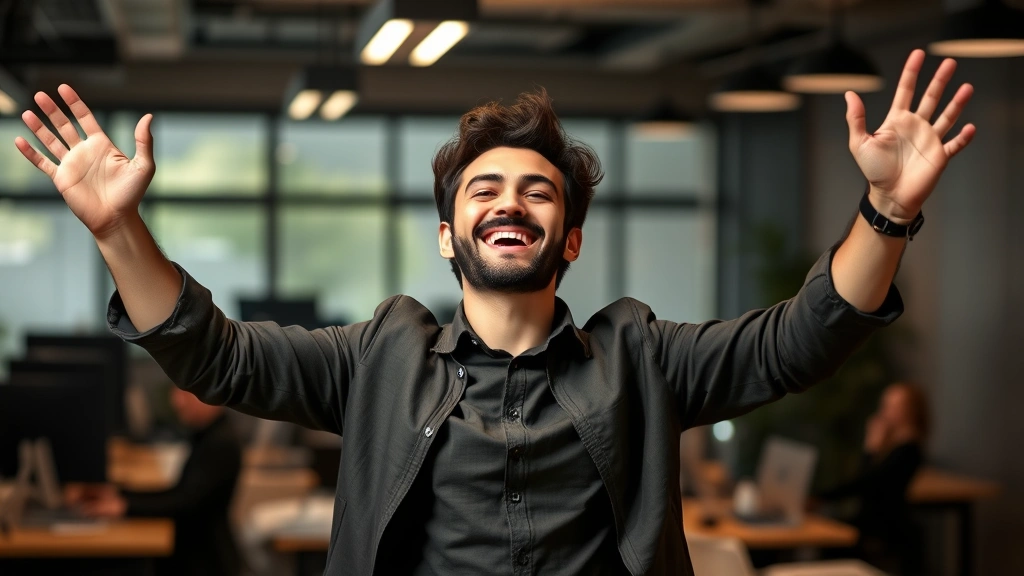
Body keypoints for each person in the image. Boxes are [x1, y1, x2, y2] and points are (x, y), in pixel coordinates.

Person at [14, 49, 974, 575]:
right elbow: (213, 358)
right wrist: (118, 231)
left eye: (537, 191)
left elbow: (800, 341)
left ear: (570, 241)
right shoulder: (379, 357)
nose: (509, 202)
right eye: (484, 189)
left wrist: (886, 211)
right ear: (449, 236)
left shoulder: (641, 355)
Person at [66, 387, 243, 576]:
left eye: (185, 394)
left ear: (212, 394)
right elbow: (179, 493)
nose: (177, 402)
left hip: (203, 562)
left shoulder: (220, 444)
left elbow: (184, 503)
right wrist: (119, 495)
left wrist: (125, 506)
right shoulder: (210, 434)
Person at [819, 382, 929, 573]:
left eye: (895, 406)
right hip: (876, 522)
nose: (886, 411)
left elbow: (866, 483)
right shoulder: (893, 445)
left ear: (912, 412)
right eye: (886, 404)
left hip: (884, 526)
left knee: (831, 541)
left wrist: (870, 449)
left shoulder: (908, 450)